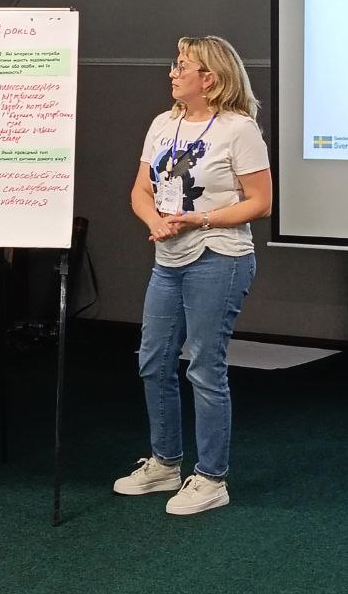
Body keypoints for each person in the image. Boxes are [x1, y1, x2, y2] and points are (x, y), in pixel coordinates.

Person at [113, 35, 273, 516]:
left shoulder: (239, 129)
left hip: (219, 256)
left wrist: (200, 219)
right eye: (175, 63)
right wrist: (156, 221)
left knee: (204, 367)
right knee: (153, 361)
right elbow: (141, 190)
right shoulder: (163, 124)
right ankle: (165, 463)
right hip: (168, 258)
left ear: (210, 78)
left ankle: (211, 478)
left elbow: (261, 202)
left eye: (183, 65)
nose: (173, 72)